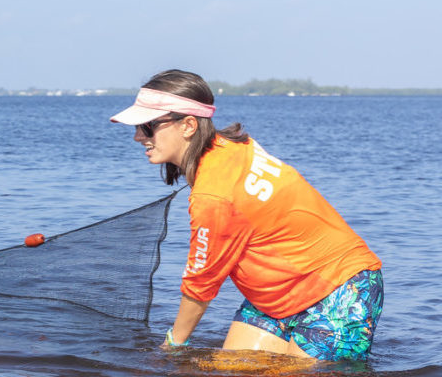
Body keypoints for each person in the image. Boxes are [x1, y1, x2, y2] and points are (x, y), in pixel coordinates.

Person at [110, 69, 383, 360]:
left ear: (188, 125)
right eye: (138, 127)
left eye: (148, 126)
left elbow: (201, 282)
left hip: (340, 288)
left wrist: (171, 347)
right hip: (278, 295)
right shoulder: (229, 146)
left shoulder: (213, 195)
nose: (139, 136)